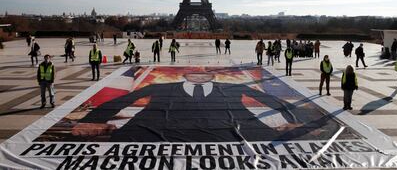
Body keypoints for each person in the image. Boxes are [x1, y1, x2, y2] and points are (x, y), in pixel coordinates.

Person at [71, 71, 298, 142]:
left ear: (211, 74)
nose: (199, 75)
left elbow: (271, 101)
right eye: (194, 73)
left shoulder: (232, 87)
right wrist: (91, 120)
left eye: (203, 73)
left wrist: (296, 117)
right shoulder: (162, 87)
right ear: (185, 74)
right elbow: (121, 101)